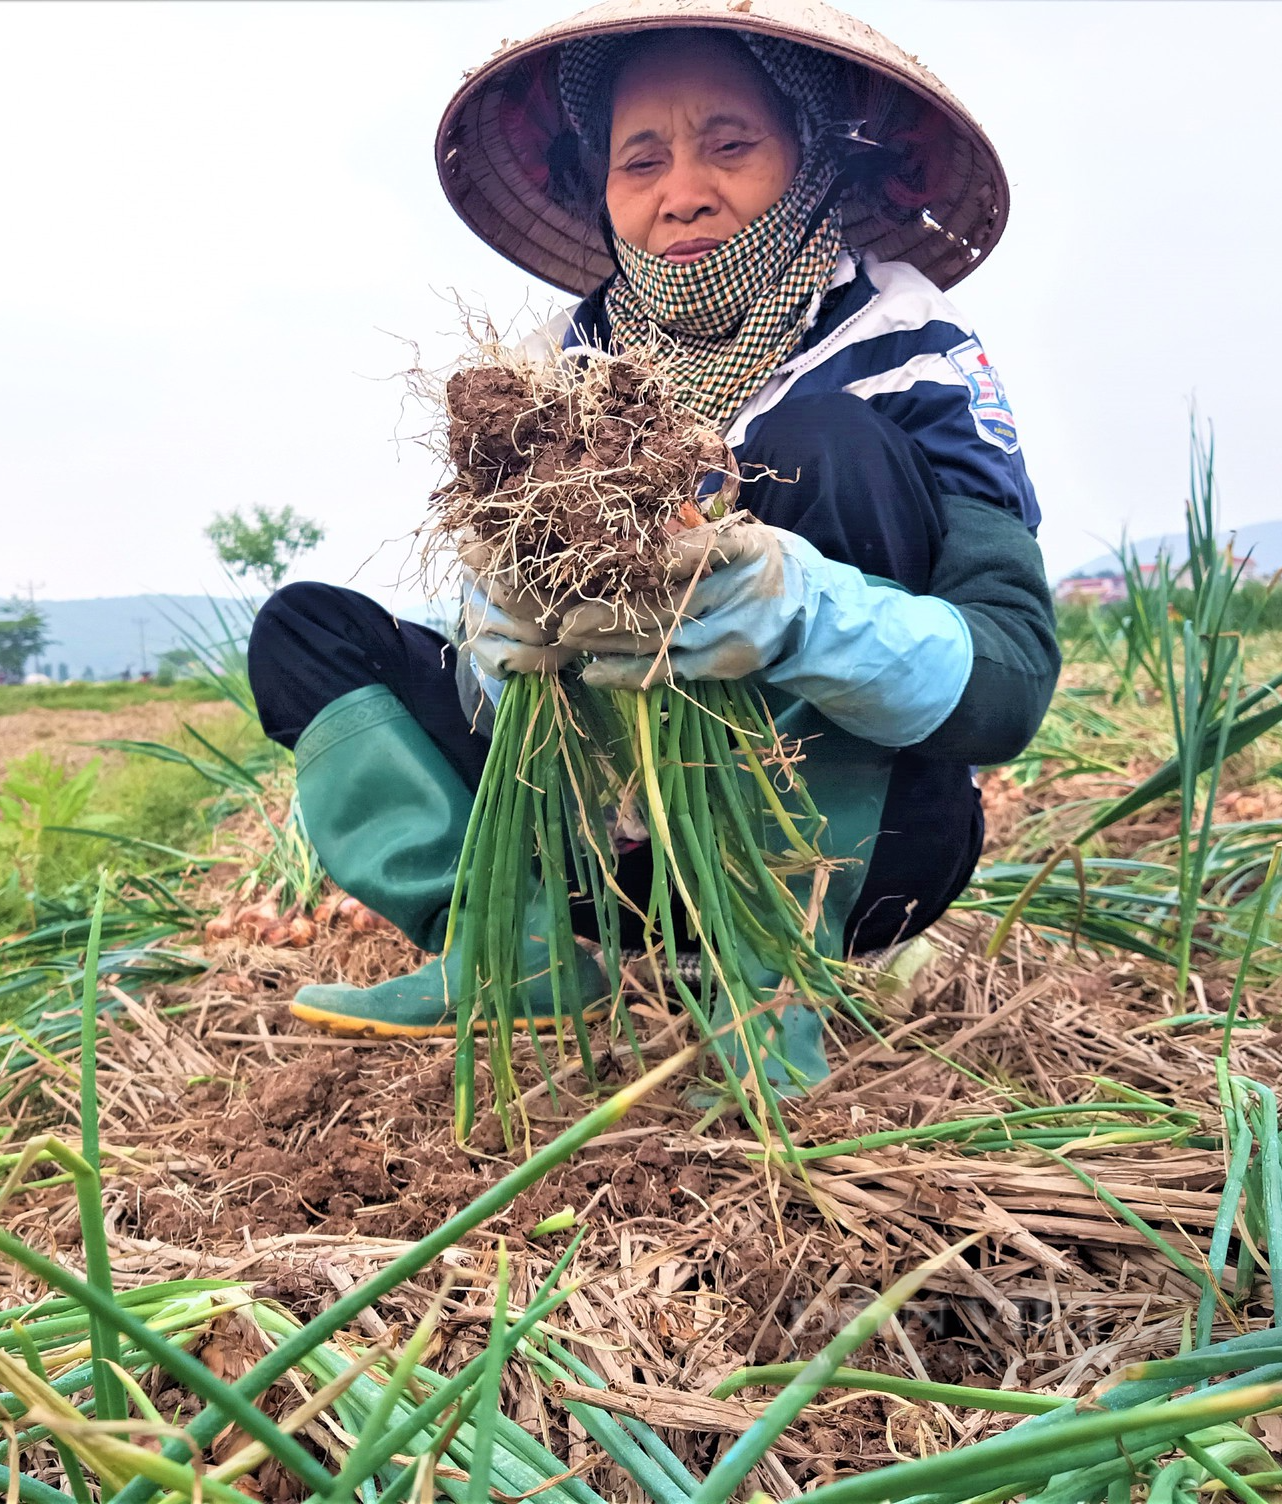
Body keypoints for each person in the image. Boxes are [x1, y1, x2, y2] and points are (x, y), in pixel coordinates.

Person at [246, 0, 1058, 1080]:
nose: (682, 192)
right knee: (306, 633)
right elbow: (495, 666)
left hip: (861, 856)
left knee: (818, 449)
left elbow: (1009, 685)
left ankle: (767, 972)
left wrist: (798, 610)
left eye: (729, 144)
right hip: (601, 851)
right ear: (604, 188)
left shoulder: (906, 356)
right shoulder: (561, 371)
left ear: (811, 156)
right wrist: (502, 627)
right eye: (641, 160)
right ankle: (505, 948)